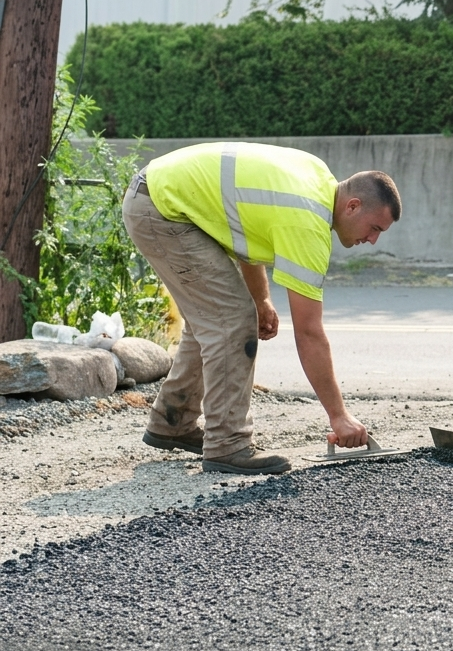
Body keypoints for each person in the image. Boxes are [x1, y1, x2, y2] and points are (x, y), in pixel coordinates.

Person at [122, 142, 402, 475]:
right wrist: (339, 416)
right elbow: (309, 333)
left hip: (160, 194)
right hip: (162, 208)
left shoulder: (316, 177)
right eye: (375, 229)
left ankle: (173, 421)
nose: (373, 241)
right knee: (231, 323)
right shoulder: (308, 222)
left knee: (214, 320)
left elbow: (242, 228)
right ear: (353, 206)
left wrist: (261, 299)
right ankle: (227, 444)